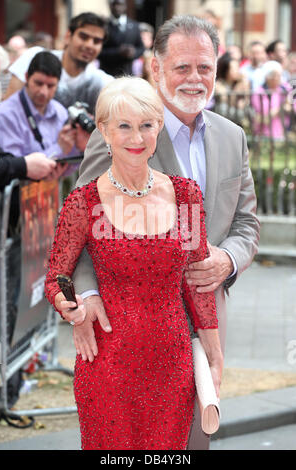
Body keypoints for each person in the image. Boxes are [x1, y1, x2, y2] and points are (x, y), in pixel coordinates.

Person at [61, 15, 260, 450]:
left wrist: (227, 259)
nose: (194, 79)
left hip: (207, 312)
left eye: (204, 67)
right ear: (156, 68)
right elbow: (78, 231)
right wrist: (86, 299)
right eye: (182, 67)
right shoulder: (120, 131)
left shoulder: (232, 137)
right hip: (125, 327)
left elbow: (247, 223)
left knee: (194, 437)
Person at [45, 76, 223, 450]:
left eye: (146, 125)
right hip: (107, 365)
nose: (136, 138)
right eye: (124, 126)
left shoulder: (187, 196)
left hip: (172, 366)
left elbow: (195, 282)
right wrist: (69, 306)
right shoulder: (84, 202)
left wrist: (213, 351)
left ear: (158, 126)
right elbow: (57, 276)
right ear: (105, 132)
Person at [3, 12, 114, 115]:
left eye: (97, 41)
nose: (89, 45)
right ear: (68, 36)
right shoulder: (35, 57)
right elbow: (8, 109)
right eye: (83, 37)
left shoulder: (101, 82)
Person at [0, 51, 77, 177]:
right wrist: (59, 149)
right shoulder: (5, 114)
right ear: (26, 77)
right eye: (38, 83)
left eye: (50, 86)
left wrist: (81, 146)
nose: (43, 92)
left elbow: (69, 167)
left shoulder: (60, 111)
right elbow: (16, 168)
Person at [98, 0, 145, 76]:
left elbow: (141, 48)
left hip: (127, 73)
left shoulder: (134, 25)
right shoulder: (104, 25)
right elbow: (99, 51)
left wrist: (133, 52)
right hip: (107, 73)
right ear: (110, 6)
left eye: (120, 4)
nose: (117, 8)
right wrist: (118, 52)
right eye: (114, 5)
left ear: (125, 6)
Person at [251, 60, 293, 140]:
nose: (276, 78)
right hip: (264, 135)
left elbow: (292, 106)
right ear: (266, 76)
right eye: (273, 76)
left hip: (283, 134)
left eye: (278, 75)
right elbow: (264, 119)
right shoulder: (259, 92)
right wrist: (280, 108)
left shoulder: (285, 88)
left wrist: (289, 105)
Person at [214, 51, 250, 123]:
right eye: (233, 69)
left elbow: (247, 101)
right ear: (226, 70)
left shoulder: (241, 82)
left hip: (238, 120)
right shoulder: (219, 84)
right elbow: (226, 101)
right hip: (223, 120)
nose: (237, 71)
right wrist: (237, 90)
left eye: (237, 68)